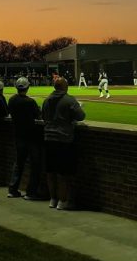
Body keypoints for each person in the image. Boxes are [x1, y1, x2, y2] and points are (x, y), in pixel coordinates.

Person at [42, 77, 86, 210]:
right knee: (63, 173)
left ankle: (52, 199)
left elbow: (43, 116)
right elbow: (81, 116)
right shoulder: (69, 100)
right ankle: (63, 200)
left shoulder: (46, 100)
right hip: (64, 139)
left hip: (48, 138)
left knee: (50, 172)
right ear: (65, 87)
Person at [7, 77, 43, 199]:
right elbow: (38, 116)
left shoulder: (11, 100)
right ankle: (31, 192)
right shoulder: (30, 102)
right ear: (27, 87)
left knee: (19, 163)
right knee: (35, 164)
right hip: (31, 136)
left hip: (18, 135)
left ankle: (12, 189)